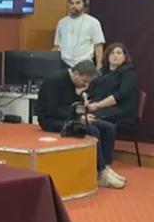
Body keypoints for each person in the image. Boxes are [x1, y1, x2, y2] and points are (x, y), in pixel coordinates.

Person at [35, 60, 125, 188]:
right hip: (51, 120)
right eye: (84, 81)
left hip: (70, 116)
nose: (86, 85)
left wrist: (83, 103)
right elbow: (53, 109)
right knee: (92, 130)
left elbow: (73, 106)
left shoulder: (76, 83)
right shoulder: (54, 80)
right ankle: (101, 171)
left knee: (108, 128)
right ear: (76, 73)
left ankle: (105, 167)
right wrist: (79, 117)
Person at [87, 42, 139, 126]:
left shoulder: (129, 72)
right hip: (101, 107)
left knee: (90, 118)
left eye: (118, 53)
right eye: (112, 53)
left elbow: (121, 95)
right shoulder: (102, 71)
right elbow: (91, 89)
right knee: (78, 113)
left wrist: (98, 105)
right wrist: (86, 99)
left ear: (125, 57)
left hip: (121, 109)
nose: (115, 55)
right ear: (107, 56)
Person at [54, 0, 106, 69]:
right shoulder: (62, 22)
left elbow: (98, 45)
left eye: (78, 3)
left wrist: (99, 65)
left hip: (84, 63)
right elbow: (57, 45)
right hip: (64, 63)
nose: (74, 6)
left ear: (84, 4)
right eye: (72, 3)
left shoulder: (93, 22)